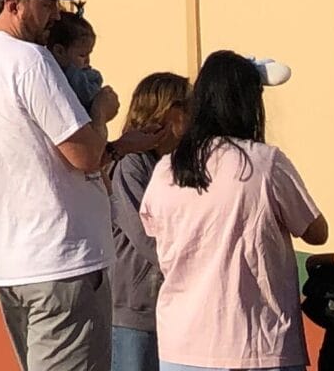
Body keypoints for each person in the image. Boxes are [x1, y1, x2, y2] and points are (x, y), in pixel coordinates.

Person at [0, 0, 129, 371]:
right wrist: (102, 111)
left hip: (11, 261)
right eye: (46, 3)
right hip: (62, 261)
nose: (55, 14)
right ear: (13, 4)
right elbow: (85, 155)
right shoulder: (31, 61)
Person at [138, 49, 323, 371]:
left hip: (181, 344)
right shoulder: (265, 163)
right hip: (258, 344)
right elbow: (317, 232)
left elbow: (152, 228)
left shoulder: (167, 169)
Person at [107, 71, 191, 371]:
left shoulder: (177, 165)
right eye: (187, 107)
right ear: (166, 112)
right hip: (134, 312)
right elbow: (146, 233)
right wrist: (191, 269)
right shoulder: (132, 164)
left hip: (168, 308)